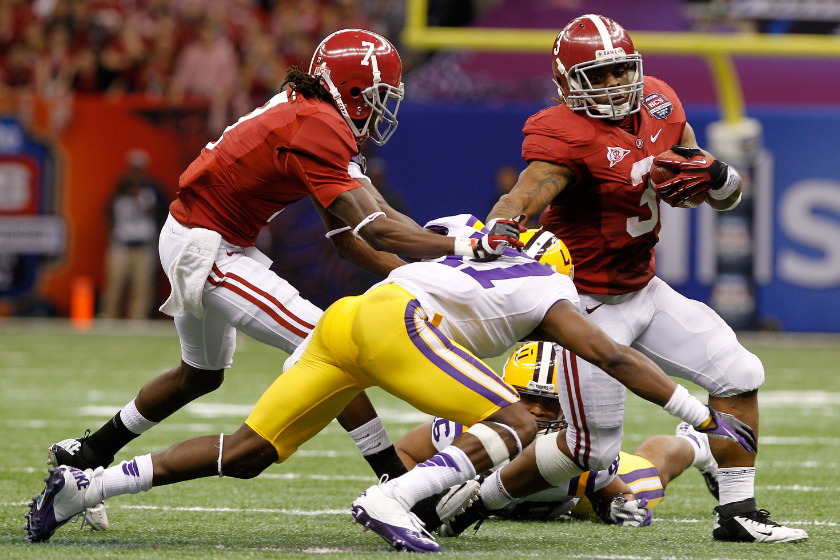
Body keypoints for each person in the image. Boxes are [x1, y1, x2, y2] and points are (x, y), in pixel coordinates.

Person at [25, 215, 753, 551]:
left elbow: (385, 262)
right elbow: (617, 358)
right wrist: (696, 408)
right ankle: (390, 496)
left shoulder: (474, 256)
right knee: (523, 418)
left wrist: (352, 238)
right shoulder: (546, 289)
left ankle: (85, 487)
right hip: (395, 327)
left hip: (350, 323)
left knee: (250, 449)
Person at [44, 29, 525, 519]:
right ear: (353, 93)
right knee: (331, 344)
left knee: (200, 377)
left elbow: (348, 237)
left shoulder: (310, 112)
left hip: (200, 234)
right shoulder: (318, 126)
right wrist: (467, 245)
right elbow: (376, 229)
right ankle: (397, 479)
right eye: (380, 98)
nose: (383, 112)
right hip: (208, 246)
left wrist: (414, 278)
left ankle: (86, 456)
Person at [484, 14, 806, 543]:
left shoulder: (660, 103)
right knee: (592, 450)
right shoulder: (560, 132)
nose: (613, 84)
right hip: (585, 304)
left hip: (645, 290)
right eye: (598, 75)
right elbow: (528, 190)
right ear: (567, 83)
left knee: (740, 372)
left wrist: (720, 176)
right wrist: (502, 221)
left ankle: (737, 513)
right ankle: (478, 498)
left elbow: (714, 190)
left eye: (619, 71)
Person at [396, 341, 721, 533]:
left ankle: (695, 443)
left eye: (550, 402)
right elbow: (405, 452)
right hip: (528, 501)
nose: (536, 410)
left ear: (569, 405)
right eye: (526, 398)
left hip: (569, 504)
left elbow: (620, 502)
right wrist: (418, 497)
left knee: (649, 477)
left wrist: (620, 508)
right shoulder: (462, 429)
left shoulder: (580, 456)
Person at [99, 149, 168, 320]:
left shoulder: (153, 190)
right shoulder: (119, 188)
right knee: (115, 282)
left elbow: (163, 214)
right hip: (122, 243)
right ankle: (109, 313)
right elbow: (109, 213)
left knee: (143, 284)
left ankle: (139, 315)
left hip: (144, 244)